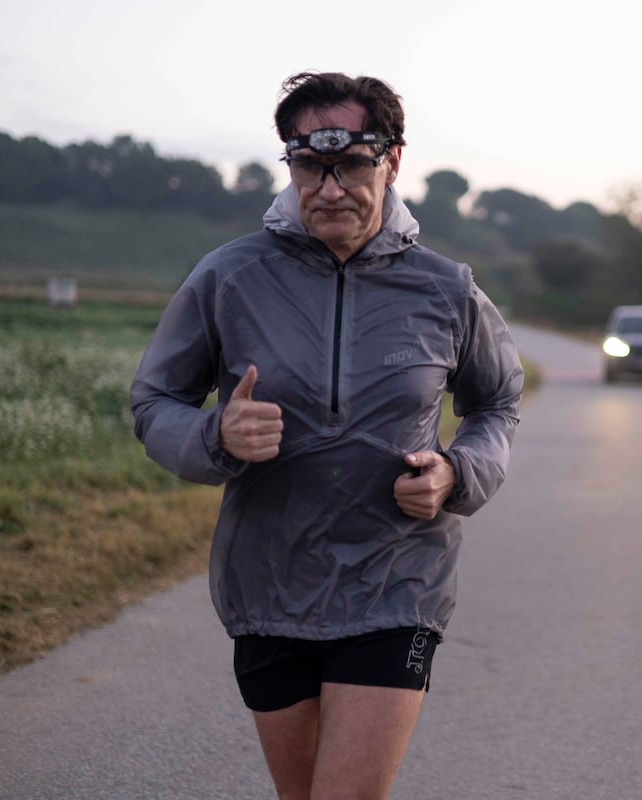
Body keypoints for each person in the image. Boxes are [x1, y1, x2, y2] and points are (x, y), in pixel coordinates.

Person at [130, 71, 522, 799]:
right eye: (310, 167)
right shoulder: (230, 277)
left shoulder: (445, 289)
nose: (329, 188)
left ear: (392, 162)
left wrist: (455, 474)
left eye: (350, 166)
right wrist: (217, 434)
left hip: (396, 583)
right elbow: (155, 402)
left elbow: (497, 402)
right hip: (269, 584)